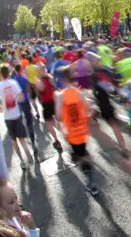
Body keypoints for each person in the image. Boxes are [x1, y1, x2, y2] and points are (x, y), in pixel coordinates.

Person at [55, 67, 99, 195]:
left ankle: (91, 182)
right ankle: (90, 179)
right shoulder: (79, 93)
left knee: (81, 156)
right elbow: (87, 109)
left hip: (71, 133)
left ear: (63, 80)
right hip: (82, 131)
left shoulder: (60, 95)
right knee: (83, 153)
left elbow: (58, 116)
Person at [0, 65, 34, 170]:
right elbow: (21, 97)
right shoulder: (14, 83)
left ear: (1, 74)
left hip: (8, 117)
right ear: (9, 73)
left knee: (14, 140)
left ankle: (23, 162)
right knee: (22, 138)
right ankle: (29, 155)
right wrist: (15, 100)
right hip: (17, 114)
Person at [34, 65, 63, 152]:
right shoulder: (50, 77)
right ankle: (65, 132)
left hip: (46, 104)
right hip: (54, 101)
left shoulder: (39, 81)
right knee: (57, 120)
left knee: (49, 123)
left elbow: (38, 94)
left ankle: (57, 141)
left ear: (39, 71)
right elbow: (55, 88)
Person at [10, 65, 37, 155]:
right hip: (26, 102)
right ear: (20, 70)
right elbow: (29, 90)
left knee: (21, 123)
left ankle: (25, 143)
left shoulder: (14, 81)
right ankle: (33, 143)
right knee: (29, 123)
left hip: (18, 104)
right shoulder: (25, 79)